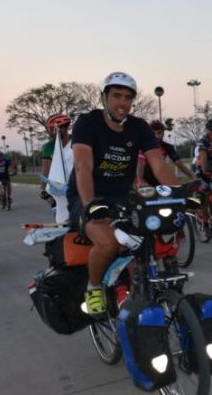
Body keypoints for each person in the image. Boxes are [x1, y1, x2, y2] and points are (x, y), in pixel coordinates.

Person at [66, 72, 185, 316]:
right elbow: (82, 167)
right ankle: (94, 286)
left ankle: (138, 300)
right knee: (108, 242)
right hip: (86, 196)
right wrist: (90, 205)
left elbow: (159, 165)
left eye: (128, 97)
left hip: (123, 197)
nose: (123, 102)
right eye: (117, 96)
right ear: (104, 97)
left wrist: (181, 195)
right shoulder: (87, 123)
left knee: (145, 245)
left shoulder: (139, 127)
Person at [136, 119, 194, 186]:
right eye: (153, 133)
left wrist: (191, 176)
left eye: (159, 133)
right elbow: (140, 164)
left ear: (163, 133)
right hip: (141, 177)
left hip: (159, 177)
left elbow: (179, 164)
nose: (156, 136)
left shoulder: (167, 146)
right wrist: (140, 181)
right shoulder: (142, 146)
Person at [40, 114, 72, 208]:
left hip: (76, 188)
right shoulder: (49, 146)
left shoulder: (77, 142)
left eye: (53, 129)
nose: (50, 133)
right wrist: (43, 190)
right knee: (61, 220)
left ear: (64, 128)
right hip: (58, 190)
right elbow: (46, 170)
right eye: (49, 130)